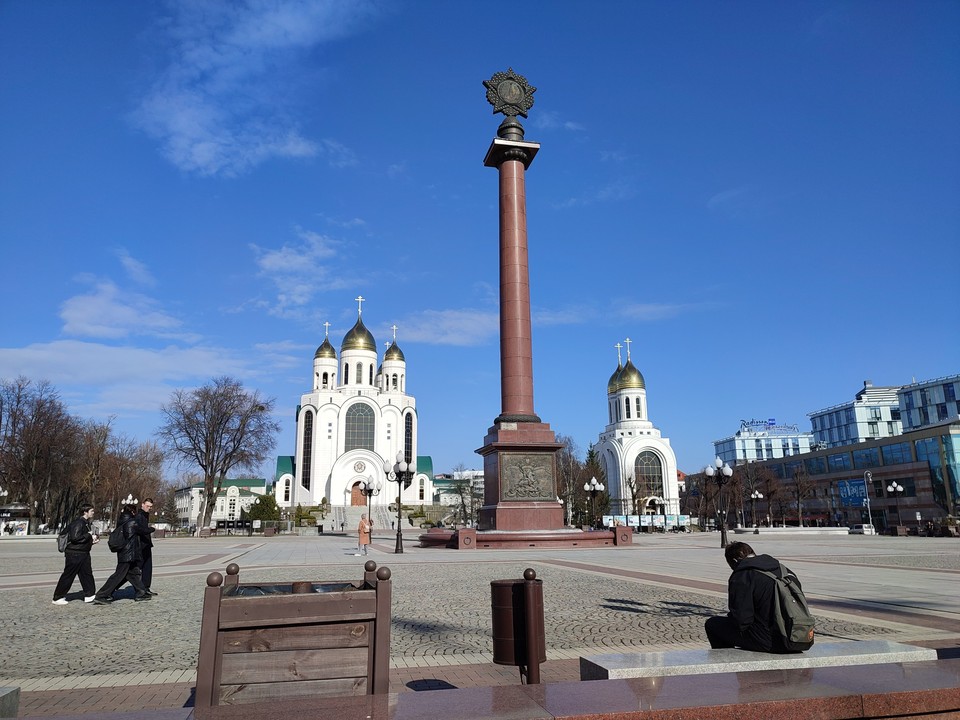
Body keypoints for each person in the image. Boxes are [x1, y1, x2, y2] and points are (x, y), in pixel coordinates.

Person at [704, 541, 802, 653]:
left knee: (713, 625)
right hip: (798, 636)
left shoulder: (742, 575)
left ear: (734, 561)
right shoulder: (784, 570)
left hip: (772, 641)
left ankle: (728, 661)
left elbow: (742, 620)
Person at [92, 504, 151, 604]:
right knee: (118, 575)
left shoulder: (122, 521)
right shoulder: (131, 522)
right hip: (128, 554)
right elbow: (143, 530)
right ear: (132, 512)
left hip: (124, 552)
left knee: (134, 573)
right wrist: (152, 529)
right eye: (135, 511)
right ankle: (101, 595)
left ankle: (141, 592)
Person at [52, 504, 99, 605]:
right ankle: (57, 597)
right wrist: (89, 535)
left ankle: (90, 595)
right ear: (85, 512)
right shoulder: (79, 523)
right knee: (69, 575)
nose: (93, 512)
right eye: (91, 511)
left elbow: (80, 538)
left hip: (83, 552)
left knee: (86, 574)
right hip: (75, 554)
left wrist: (91, 541)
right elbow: (75, 538)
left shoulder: (85, 523)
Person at [135, 498, 157, 595]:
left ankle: (146, 588)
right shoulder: (139, 515)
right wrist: (151, 529)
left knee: (148, 568)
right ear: (142, 504)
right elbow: (140, 530)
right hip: (141, 545)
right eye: (147, 506)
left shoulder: (145, 515)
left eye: (150, 507)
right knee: (137, 568)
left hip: (146, 544)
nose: (149, 508)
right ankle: (140, 588)